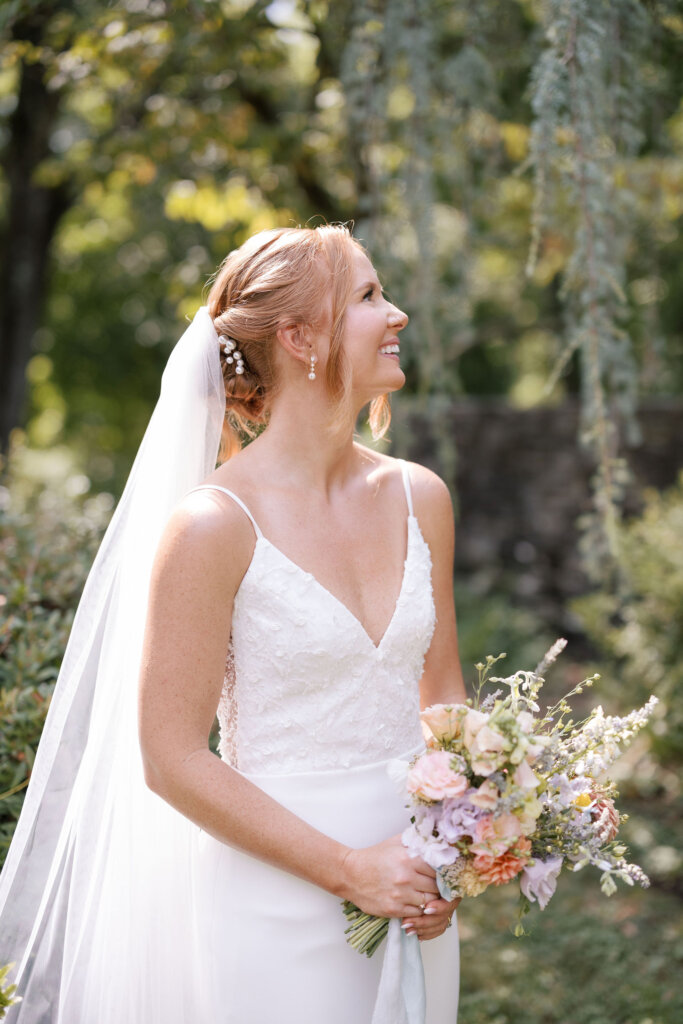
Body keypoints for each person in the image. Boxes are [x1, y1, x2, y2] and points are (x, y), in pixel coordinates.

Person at [0, 224, 465, 1023]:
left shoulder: (421, 496)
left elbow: (445, 697)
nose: (397, 315)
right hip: (272, 900)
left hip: (414, 893)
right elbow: (171, 756)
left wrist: (468, 840)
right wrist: (348, 869)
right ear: (298, 336)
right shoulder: (214, 525)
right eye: (367, 296)